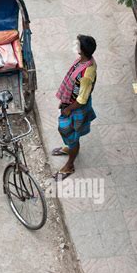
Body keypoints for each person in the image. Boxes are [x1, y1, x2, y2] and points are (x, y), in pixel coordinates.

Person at [53, 35, 97, 180]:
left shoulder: (86, 75)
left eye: (78, 45)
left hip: (75, 108)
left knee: (72, 135)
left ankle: (70, 165)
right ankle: (70, 147)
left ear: (82, 51)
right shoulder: (84, 61)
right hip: (70, 104)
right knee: (69, 133)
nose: (76, 46)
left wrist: (68, 109)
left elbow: (82, 100)